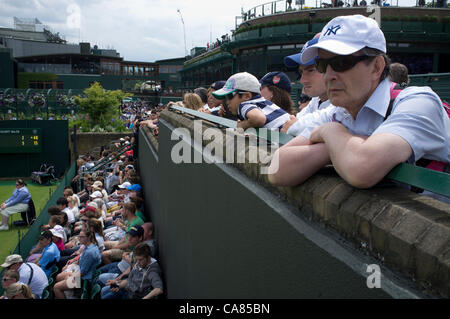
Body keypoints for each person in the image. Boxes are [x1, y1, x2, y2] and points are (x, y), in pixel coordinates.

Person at [268, 14, 449, 190]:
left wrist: (331, 132)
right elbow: (276, 168)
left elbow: (362, 169)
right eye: (322, 65)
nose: (329, 76)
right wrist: (334, 149)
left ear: (377, 67)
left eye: (341, 62)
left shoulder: (418, 102)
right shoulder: (339, 111)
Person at [282, 35, 335, 135]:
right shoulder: (316, 100)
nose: (302, 80)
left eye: (310, 70)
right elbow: (290, 123)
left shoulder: (346, 103)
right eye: (301, 72)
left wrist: (298, 127)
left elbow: (293, 127)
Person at [212, 72, 290, 130]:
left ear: (247, 96)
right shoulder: (262, 103)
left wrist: (241, 126)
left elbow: (258, 118)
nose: (227, 101)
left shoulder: (244, 105)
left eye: (229, 96)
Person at [53, 229, 101, 299]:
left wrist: (69, 276)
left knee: (56, 287)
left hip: (82, 280)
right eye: (79, 236)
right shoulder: (89, 246)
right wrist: (70, 266)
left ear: (88, 237)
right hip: (80, 273)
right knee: (58, 277)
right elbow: (81, 260)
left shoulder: (89, 252)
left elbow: (83, 273)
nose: (79, 238)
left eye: (81, 237)